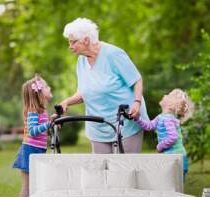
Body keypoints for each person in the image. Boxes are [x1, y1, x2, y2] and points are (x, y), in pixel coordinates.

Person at [61, 18, 149, 154]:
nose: (70, 46)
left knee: (125, 170)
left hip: (125, 122)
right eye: (69, 42)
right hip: (98, 126)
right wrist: (67, 102)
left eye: (73, 42)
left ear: (86, 40)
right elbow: (84, 93)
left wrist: (137, 103)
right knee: (100, 170)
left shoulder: (113, 54)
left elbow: (136, 79)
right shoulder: (81, 61)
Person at [13, 74, 54, 197]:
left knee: (36, 184)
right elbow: (32, 132)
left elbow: (42, 129)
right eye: (46, 86)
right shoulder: (33, 110)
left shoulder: (42, 110)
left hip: (37, 150)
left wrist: (51, 123)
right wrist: (48, 124)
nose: (49, 87)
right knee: (27, 186)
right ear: (39, 92)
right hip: (29, 151)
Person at [135, 89, 194, 178]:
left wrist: (160, 146)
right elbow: (149, 126)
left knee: (174, 185)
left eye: (169, 95)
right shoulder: (161, 117)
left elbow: (173, 137)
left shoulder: (168, 119)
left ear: (171, 105)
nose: (165, 95)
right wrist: (137, 118)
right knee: (172, 185)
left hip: (176, 157)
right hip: (173, 157)